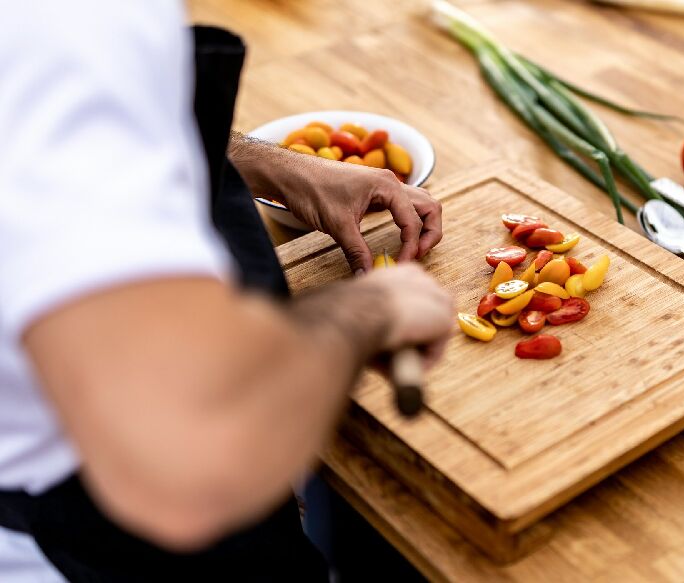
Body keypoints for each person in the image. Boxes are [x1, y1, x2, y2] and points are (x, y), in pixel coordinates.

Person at [0, 1, 453, 581]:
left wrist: (274, 164)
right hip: (111, 543)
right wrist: (368, 311)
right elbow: (189, 455)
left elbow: (70, 124)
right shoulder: (71, 23)